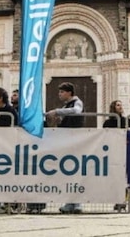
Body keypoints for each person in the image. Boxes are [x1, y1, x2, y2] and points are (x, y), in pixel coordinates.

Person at [50, 82, 85, 213]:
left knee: (74, 171)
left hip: (75, 140)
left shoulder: (77, 102)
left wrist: (57, 112)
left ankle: (77, 203)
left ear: (69, 93)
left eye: (62, 92)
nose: (59, 94)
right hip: (67, 140)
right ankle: (70, 202)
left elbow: (77, 111)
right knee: (69, 172)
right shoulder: (67, 105)